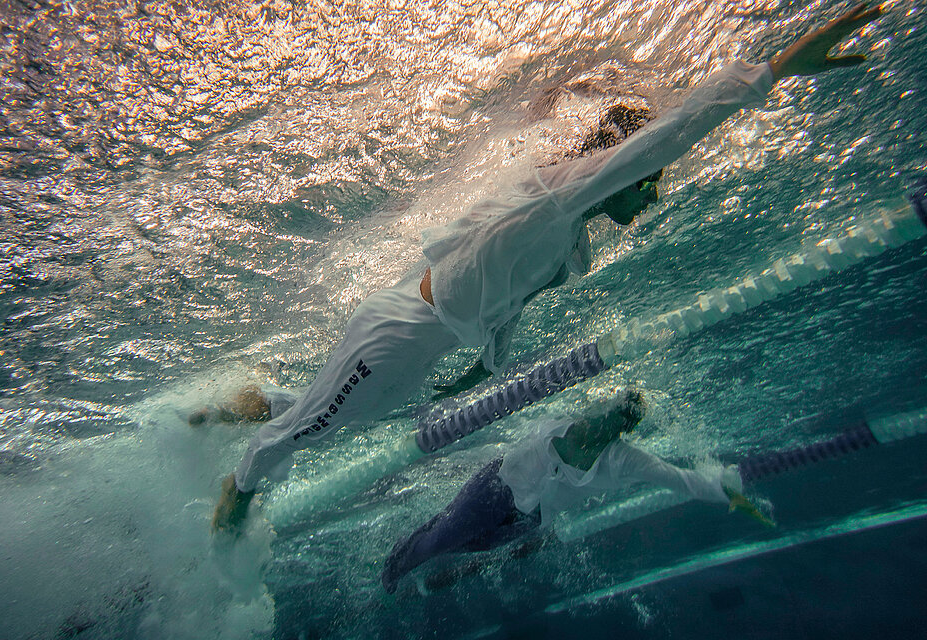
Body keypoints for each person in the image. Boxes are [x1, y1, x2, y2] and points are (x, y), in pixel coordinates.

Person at [210, 4, 885, 533]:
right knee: (310, 432)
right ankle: (235, 496)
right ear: (622, 165)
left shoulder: (571, 243)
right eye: (649, 179)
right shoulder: (566, 193)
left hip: (431, 338)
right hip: (401, 332)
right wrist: (780, 67)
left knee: (341, 419)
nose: (655, 192)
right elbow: (673, 130)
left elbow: (512, 294)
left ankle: (245, 405)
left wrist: (490, 362)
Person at [381, 389, 773, 593]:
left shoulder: (624, 460)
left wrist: (728, 489)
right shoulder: (570, 413)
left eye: (612, 420)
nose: (600, 419)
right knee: (441, 539)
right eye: (603, 409)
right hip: (498, 486)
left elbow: (679, 479)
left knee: (459, 546)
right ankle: (392, 570)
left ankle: (410, 551)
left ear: (620, 430)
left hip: (528, 521)